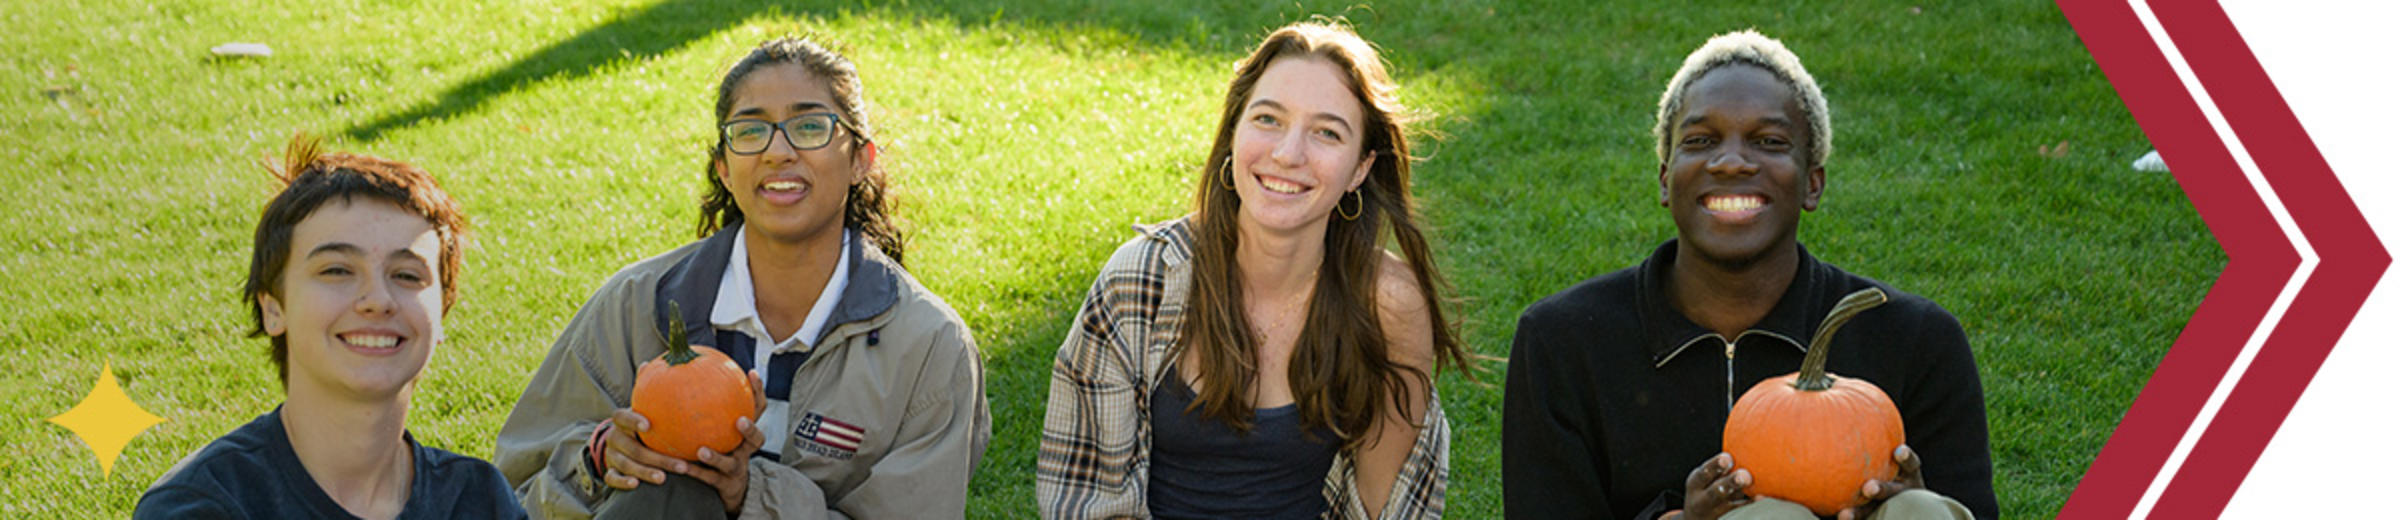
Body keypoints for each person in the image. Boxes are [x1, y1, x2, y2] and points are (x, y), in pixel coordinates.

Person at [1502, 30, 1998, 520]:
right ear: (1664, 178)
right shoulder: (1563, 340)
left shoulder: (1915, 339)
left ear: (1812, 183)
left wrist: (1913, 503)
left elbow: (1969, 507)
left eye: (1769, 141)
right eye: (1700, 140)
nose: (1732, 162)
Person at [493, 37, 990, 519]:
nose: (778, 152)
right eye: (750, 132)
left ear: (861, 158)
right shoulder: (634, 304)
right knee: (671, 494)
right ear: (724, 169)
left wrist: (748, 495)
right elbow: (512, 492)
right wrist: (600, 460)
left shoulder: (930, 347)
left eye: (810, 127)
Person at [1037, 21, 1472, 520]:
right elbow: (1088, 497)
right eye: (1268, 119)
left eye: (1327, 133)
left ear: (1360, 168)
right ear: (1233, 133)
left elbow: (1384, 510)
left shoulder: (1387, 304)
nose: (1288, 155)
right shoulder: (1143, 281)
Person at [135, 135, 523, 519]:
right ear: (273, 309)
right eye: (336, 270)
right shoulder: (203, 505)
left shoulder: (478, 499)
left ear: (441, 314)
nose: (377, 300)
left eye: (406, 275)